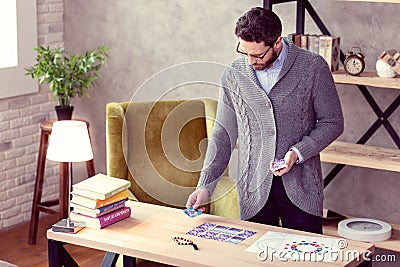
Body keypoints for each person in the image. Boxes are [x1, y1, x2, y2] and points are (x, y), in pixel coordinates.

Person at [186, 7, 344, 234]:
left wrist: (297, 153)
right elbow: (223, 135)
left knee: (308, 258)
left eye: (258, 55)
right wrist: (205, 186)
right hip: (253, 190)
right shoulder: (233, 74)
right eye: (244, 52)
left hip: (301, 187)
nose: (250, 61)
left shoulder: (312, 67)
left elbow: (333, 122)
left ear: (277, 42)